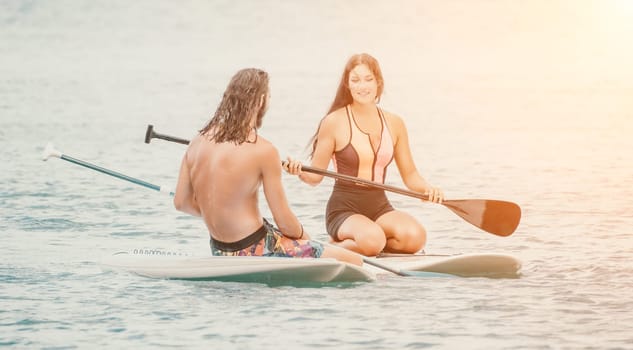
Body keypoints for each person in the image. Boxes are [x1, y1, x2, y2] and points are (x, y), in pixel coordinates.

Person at [173, 68, 361, 266]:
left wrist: (221, 210)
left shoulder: (196, 142)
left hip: (220, 250)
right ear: (262, 100)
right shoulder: (264, 150)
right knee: (353, 260)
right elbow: (285, 222)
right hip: (258, 247)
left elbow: (181, 202)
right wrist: (306, 240)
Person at [284, 53, 444, 256]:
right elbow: (315, 177)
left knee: (415, 237)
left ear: (378, 83)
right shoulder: (334, 122)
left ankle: (364, 245)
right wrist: (298, 171)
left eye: (368, 79)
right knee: (373, 240)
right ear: (347, 84)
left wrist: (428, 189)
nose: (362, 86)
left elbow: (410, 174)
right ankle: (330, 247)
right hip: (344, 208)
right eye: (355, 80)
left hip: (379, 206)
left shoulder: (395, 123)